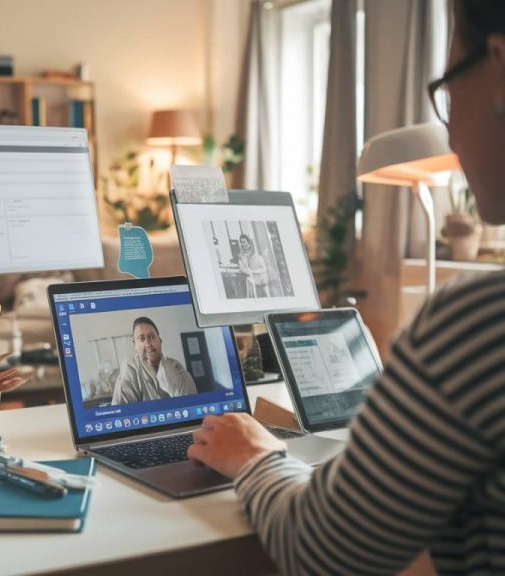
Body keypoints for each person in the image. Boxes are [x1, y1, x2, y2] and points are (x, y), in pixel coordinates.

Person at [187, 2, 505, 574]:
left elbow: (323, 550)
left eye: (449, 94)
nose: (452, 131)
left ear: (500, 67)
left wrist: (256, 455)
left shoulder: (481, 324)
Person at [112, 317, 197, 404]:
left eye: (151, 337)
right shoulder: (130, 370)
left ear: (160, 341)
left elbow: (191, 406)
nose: (148, 344)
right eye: (142, 339)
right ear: (135, 345)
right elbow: (120, 413)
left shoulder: (177, 368)